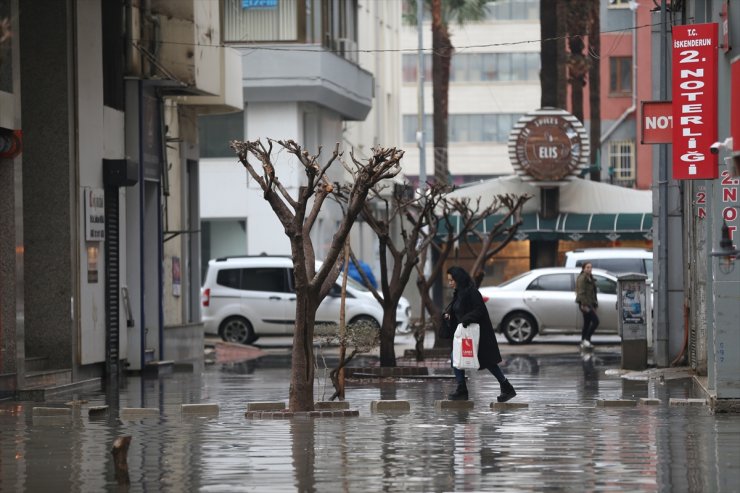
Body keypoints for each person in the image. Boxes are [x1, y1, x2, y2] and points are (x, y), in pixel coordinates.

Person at [443, 266, 516, 402]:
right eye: (449, 280)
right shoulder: (458, 294)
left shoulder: (472, 292)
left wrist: (466, 319)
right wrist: (449, 316)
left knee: (488, 362)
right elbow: (459, 312)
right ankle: (462, 389)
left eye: (452, 280)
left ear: (459, 278)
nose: (450, 283)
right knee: (455, 357)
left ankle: (506, 386)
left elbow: (479, 310)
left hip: (478, 335)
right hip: (466, 335)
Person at [575, 262, 599, 350]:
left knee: (587, 323)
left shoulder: (590, 277)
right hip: (585, 305)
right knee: (596, 322)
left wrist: (595, 304)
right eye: (587, 267)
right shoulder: (582, 278)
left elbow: (593, 293)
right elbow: (581, 293)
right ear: (583, 269)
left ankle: (583, 342)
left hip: (590, 304)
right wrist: (583, 304)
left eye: (590, 267)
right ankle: (586, 339)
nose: (589, 269)